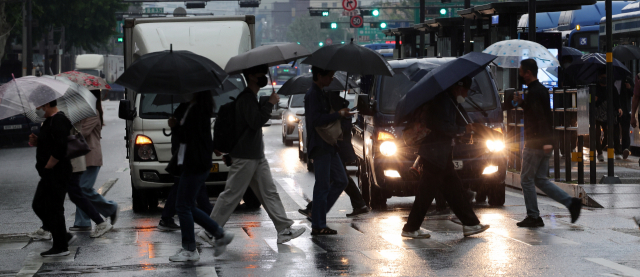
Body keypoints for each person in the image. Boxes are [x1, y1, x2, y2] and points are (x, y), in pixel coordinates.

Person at [208, 64, 305, 244]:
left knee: (269, 192)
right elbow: (255, 122)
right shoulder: (246, 99)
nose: (264, 76)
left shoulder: (252, 97)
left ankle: (283, 229)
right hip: (245, 155)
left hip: (255, 155)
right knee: (231, 195)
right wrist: (269, 104)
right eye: (261, 73)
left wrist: (267, 103)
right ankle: (209, 230)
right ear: (252, 76)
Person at [401, 76, 490, 238]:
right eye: (466, 90)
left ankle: (470, 224)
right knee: (427, 194)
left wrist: (465, 128)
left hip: (440, 154)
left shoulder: (450, 100)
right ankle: (410, 228)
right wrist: (462, 130)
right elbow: (440, 125)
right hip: (435, 154)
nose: (467, 94)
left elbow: (451, 123)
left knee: (454, 191)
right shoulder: (443, 101)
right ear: (459, 87)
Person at [510, 59, 582, 227]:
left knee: (526, 179)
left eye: (521, 72)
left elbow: (540, 118)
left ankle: (534, 216)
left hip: (535, 143)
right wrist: (522, 103)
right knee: (540, 180)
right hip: (543, 142)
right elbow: (538, 114)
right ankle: (571, 203)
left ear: (528, 73)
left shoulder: (535, 92)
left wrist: (544, 142)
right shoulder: (538, 90)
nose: (520, 75)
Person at [170, 90, 233, 262]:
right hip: (193, 162)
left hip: (194, 163)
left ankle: (190, 249)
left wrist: (175, 126)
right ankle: (219, 234)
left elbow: (189, 137)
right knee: (187, 206)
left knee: (183, 206)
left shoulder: (196, 110)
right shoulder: (194, 107)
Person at [298, 90, 370, 219]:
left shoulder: (337, 107)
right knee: (339, 179)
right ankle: (359, 204)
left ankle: (315, 211)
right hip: (336, 147)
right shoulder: (335, 106)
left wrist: (338, 115)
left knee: (335, 180)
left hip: (336, 147)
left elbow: (336, 129)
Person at [305, 66, 352, 235]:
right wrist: (338, 114)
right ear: (319, 75)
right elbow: (316, 120)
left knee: (341, 180)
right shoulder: (313, 95)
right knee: (322, 186)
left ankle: (318, 215)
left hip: (330, 144)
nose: (332, 78)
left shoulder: (321, 93)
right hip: (320, 145)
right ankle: (318, 224)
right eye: (330, 75)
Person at [28, 98, 77, 257]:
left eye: (38, 105)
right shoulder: (49, 121)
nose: (36, 109)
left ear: (47, 104)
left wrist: (49, 166)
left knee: (54, 208)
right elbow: (50, 143)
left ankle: (61, 246)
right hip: (48, 173)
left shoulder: (59, 120)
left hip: (57, 172)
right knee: (39, 204)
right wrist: (37, 142)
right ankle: (62, 236)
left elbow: (60, 147)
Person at [158, 101, 213, 231]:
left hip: (191, 158)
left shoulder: (191, 109)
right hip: (189, 158)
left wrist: (175, 127)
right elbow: (187, 135)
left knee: (185, 195)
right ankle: (213, 224)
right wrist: (175, 127)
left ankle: (212, 225)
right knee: (190, 196)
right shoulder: (189, 109)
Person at [71, 90, 119, 234]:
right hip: (80, 157)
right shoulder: (83, 113)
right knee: (79, 190)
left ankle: (110, 208)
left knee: (83, 188)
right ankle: (82, 221)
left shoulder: (93, 113)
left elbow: (81, 133)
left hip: (91, 156)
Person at [595, 72, 622, 162]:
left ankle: (617, 152)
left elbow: (616, 99)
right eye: (603, 77)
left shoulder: (611, 87)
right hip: (598, 114)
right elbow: (592, 101)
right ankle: (599, 153)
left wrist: (618, 108)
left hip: (609, 113)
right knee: (597, 133)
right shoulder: (595, 87)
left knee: (610, 133)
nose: (604, 79)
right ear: (599, 77)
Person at [617, 77, 633, 159]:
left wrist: (629, 87)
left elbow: (633, 93)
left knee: (625, 130)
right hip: (615, 109)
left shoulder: (627, 79)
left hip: (625, 110)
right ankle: (617, 150)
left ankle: (625, 149)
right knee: (616, 131)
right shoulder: (612, 79)